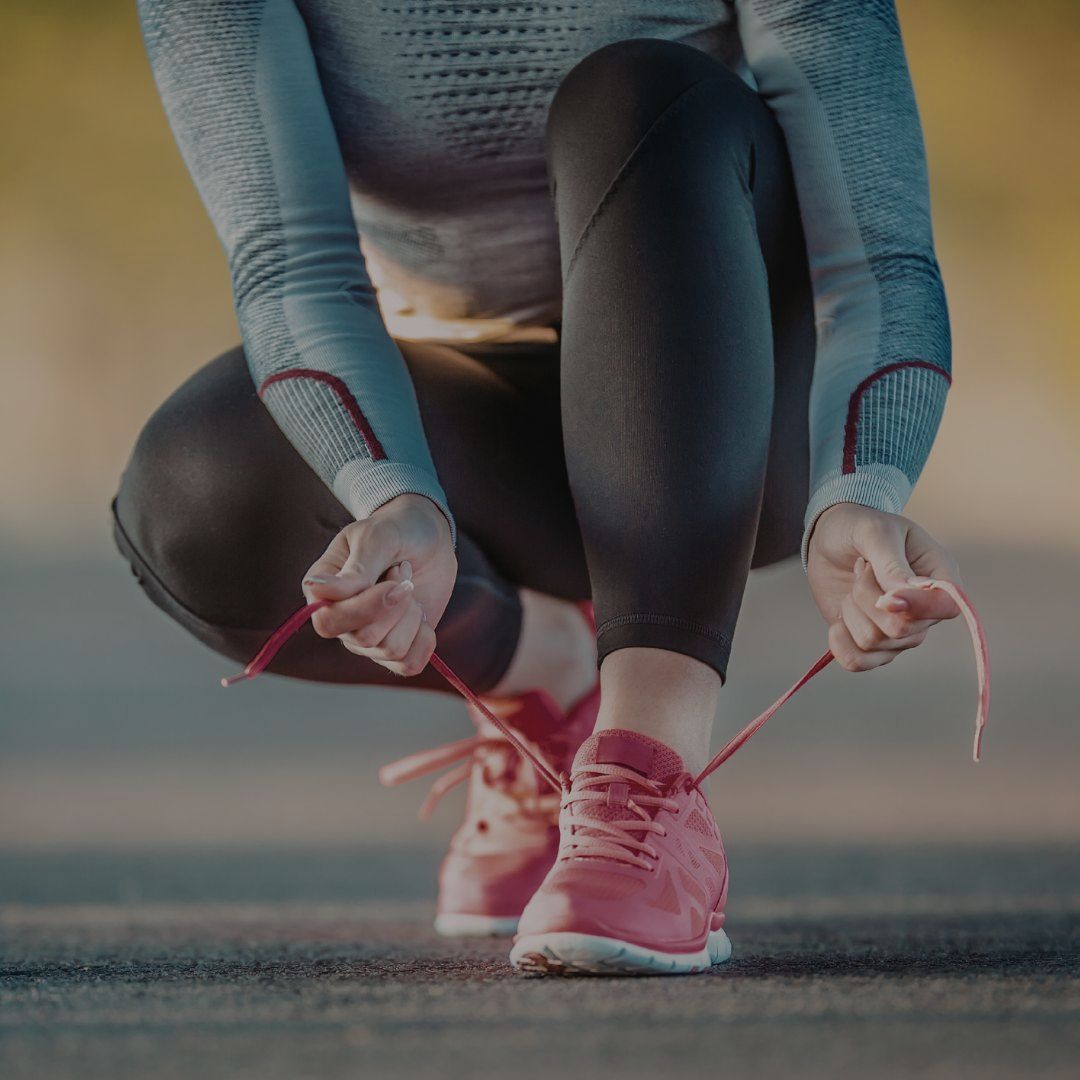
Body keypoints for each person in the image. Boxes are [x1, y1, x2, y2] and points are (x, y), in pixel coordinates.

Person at [115, 1, 964, 974]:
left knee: (636, 90)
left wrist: (860, 483)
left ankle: (646, 780)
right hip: (491, 423)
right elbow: (292, 264)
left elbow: (879, 253)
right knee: (193, 488)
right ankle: (548, 682)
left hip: (742, 403)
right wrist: (399, 498)